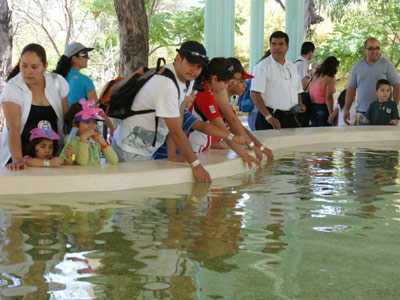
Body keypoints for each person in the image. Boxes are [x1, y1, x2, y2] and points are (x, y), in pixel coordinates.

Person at [111, 41, 211, 182]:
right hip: (130, 150)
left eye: (199, 67)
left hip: (144, 150)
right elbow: (176, 131)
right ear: (178, 59)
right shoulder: (166, 85)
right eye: (191, 64)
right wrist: (196, 165)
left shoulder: (188, 80)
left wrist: (172, 155)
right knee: (134, 201)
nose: (194, 70)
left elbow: (179, 117)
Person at [0, 43, 69, 170]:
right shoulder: (12, 88)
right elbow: (13, 128)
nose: (28, 71)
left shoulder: (57, 83)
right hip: (20, 159)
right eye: (24, 66)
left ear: (45, 67)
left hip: (51, 158)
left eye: (34, 67)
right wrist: (17, 160)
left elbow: (67, 119)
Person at [188, 57, 261, 168]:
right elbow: (222, 129)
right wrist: (243, 153)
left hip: (198, 146)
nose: (227, 86)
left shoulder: (206, 91)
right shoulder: (204, 94)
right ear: (214, 79)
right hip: (193, 147)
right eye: (226, 82)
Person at [54, 42, 115, 134]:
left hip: (59, 130)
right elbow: (96, 109)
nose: (88, 58)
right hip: (80, 131)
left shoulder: (56, 78)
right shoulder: (85, 81)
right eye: (84, 55)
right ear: (74, 59)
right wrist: (111, 127)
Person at [250, 31, 305, 130]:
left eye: (281, 44)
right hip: (271, 118)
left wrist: (300, 103)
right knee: (270, 146)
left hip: (291, 117)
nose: (277, 47)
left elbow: (297, 89)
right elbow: (254, 94)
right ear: (270, 46)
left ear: (287, 47)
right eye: (274, 44)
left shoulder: (292, 66)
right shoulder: (262, 66)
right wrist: (268, 117)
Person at [225, 57, 274, 160]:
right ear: (231, 81)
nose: (245, 86)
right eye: (241, 81)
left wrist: (259, 146)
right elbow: (233, 124)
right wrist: (253, 147)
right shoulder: (218, 100)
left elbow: (238, 126)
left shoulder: (226, 103)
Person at [344, 37, 400, 125]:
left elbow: (397, 85)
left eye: (377, 48)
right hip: (363, 113)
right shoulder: (356, 67)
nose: (375, 51)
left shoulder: (387, 64)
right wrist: (346, 109)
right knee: (363, 138)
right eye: (370, 49)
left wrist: (394, 106)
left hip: (384, 113)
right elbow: (351, 89)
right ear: (364, 50)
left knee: (383, 138)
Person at [64, 99, 118, 165]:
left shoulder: (97, 138)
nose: (92, 126)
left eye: (94, 122)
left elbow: (114, 160)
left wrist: (103, 143)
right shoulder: (70, 139)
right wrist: (83, 140)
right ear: (74, 123)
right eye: (87, 122)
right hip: (79, 175)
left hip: (95, 174)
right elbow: (82, 163)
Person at [309, 56, 339, 126]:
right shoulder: (329, 79)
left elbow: (310, 90)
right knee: (325, 132)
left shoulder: (315, 74)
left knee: (315, 131)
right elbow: (328, 98)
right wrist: (331, 114)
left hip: (312, 107)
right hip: (323, 108)